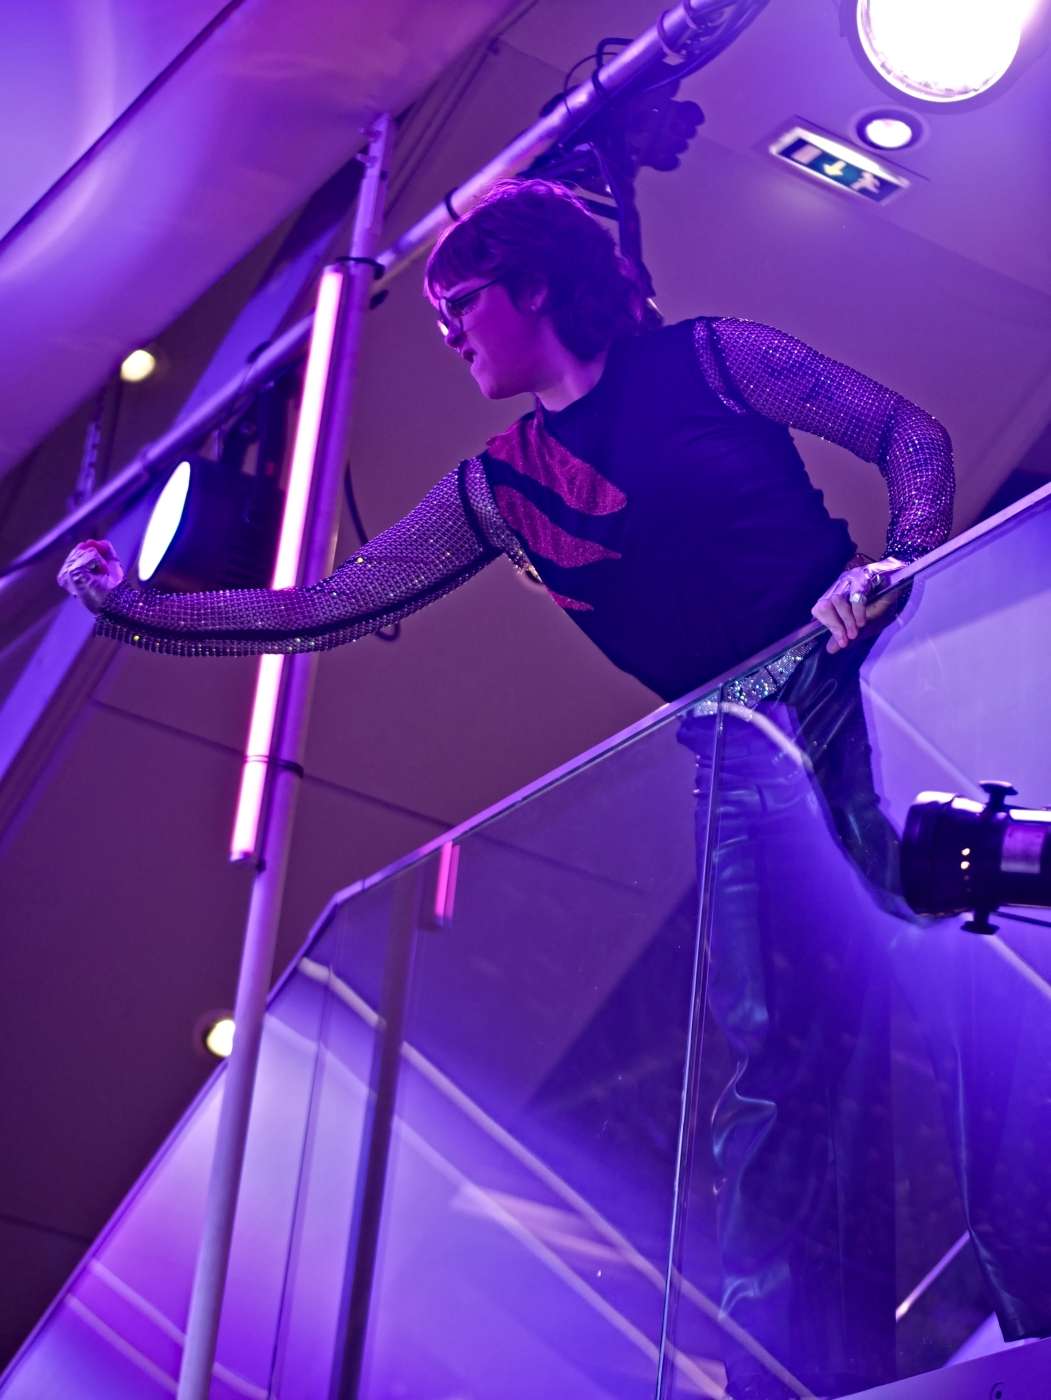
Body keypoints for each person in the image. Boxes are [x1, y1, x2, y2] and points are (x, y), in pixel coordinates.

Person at [60, 180, 960, 1397]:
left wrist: (900, 562)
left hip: (869, 689)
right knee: (770, 1079)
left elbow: (908, 433)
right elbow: (330, 602)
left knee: (953, 984)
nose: (448, 332)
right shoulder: (500, 485)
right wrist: (136, 610)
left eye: (462, 303)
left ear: (536, 282)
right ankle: (793, 1380)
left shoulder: (712, 358)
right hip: (740, 759)